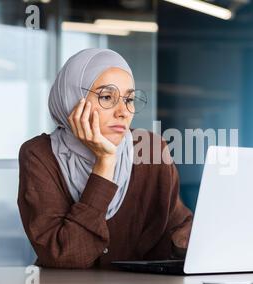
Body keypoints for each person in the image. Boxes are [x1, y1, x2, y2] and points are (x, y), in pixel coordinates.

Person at [17, 48, 193, 268]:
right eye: (107, 97)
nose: (123, 112)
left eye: (129, 99)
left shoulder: (151, 149)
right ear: (73, 99)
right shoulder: (39, 154)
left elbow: (173, 232)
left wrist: (188, 239)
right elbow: (65, 256)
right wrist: (105, 162)